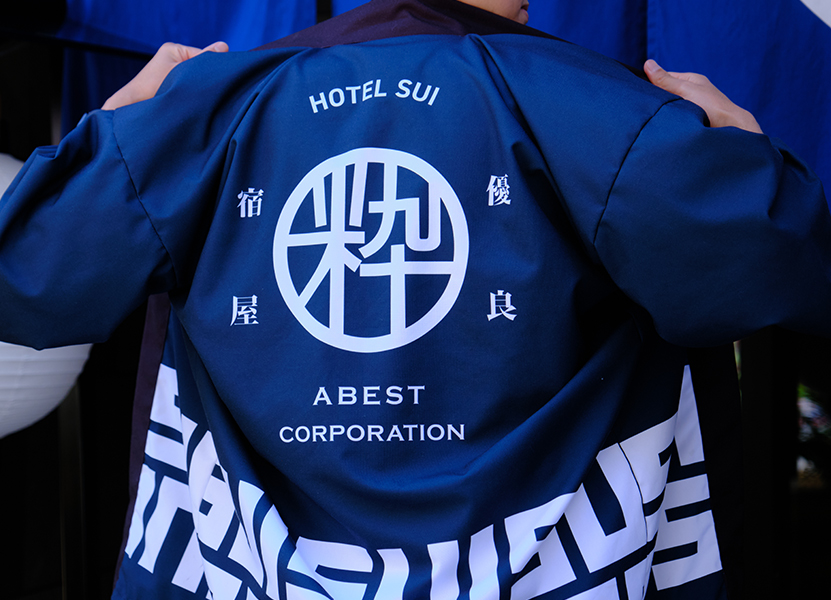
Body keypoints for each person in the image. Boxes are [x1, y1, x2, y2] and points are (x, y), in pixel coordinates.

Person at [1, 0, 828, 599]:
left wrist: (108, 134)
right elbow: (784, 264)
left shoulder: (204, 113)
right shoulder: (618, 115)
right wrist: (745, 162)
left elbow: (25, 278)